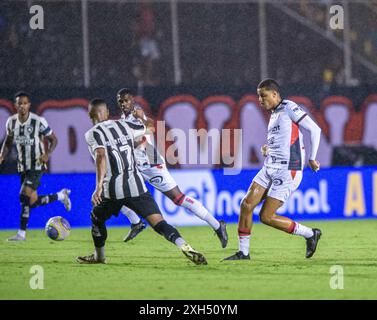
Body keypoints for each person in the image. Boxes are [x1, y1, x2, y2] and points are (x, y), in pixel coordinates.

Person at [76, 99, 207, 265]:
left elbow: (101, 156)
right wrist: (143, 118)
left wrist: (98, 186)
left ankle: (99, 256)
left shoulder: (92, 134)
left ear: (90, 115)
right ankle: (184, 245)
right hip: (136, 185)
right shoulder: (124, 125)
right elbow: (151, 127)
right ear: (107, 113)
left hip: (112, 191)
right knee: (159, 223)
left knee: (96, 217)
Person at [116, 88, 228, 248]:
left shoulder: (137, 114)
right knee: (115, 191)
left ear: (132, 100)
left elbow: (151, 125)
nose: (123, 104)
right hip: (136, 167)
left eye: (126, 100)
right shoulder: (123, 119)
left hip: (151, 164)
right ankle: (136, 222)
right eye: (120, 101)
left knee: (178, 199)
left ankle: (217, 225)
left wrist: (143, 135)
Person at [223, 79, 322, 261]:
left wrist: (312, 158)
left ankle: (310, 234)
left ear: (275, 94)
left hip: (287, 170)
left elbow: (315, 130)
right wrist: (268, 148)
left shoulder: (289, 107)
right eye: (259, 97)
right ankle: (243, 253)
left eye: (263, 96)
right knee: (246, 205)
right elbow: (284, 140)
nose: (260, 100)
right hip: (269, 166)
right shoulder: (274, 115)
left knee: (266, 217)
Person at [0, 91, 71, 241]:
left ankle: (21, 234)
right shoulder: (11, 122)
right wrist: (2, 155)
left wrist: (47, 154)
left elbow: (54, 140)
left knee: (23, 195)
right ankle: (60, 196)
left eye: (25, 103)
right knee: (31, 202)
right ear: (15, 105)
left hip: (37, 165)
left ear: (29, 105)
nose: (22, 106)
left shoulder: (38, 121)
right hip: (22, 167)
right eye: (20, 103)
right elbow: (8, 142)